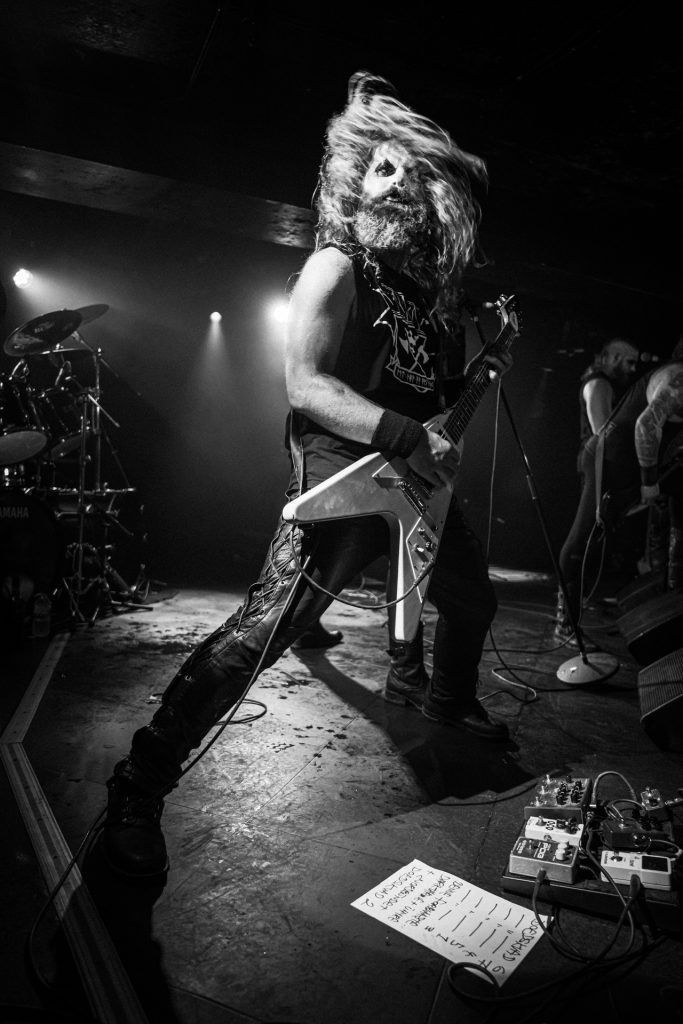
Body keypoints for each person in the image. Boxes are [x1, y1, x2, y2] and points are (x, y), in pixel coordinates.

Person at [102, 71, 513, 877]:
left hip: (410, 475)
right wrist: (403, 433)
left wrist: (466, 395)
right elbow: (306, 386)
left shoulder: (431, 295)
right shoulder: (335, 266)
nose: (396, 182)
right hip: (343, 462)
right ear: (356, 178)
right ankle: (136, 788)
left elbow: (430, 404)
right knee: (268, 628)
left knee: (472, 595)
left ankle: (444, 698)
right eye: (382, 167)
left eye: (411, 171)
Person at [556, 340, 683, 643]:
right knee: (580, 542)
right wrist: (650, 481)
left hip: (627, 463)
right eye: (625, 362)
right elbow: (644, 426)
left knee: (600, 543)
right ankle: (565, 620)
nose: (631, 367)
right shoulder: (676, 377)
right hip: (608, 460)